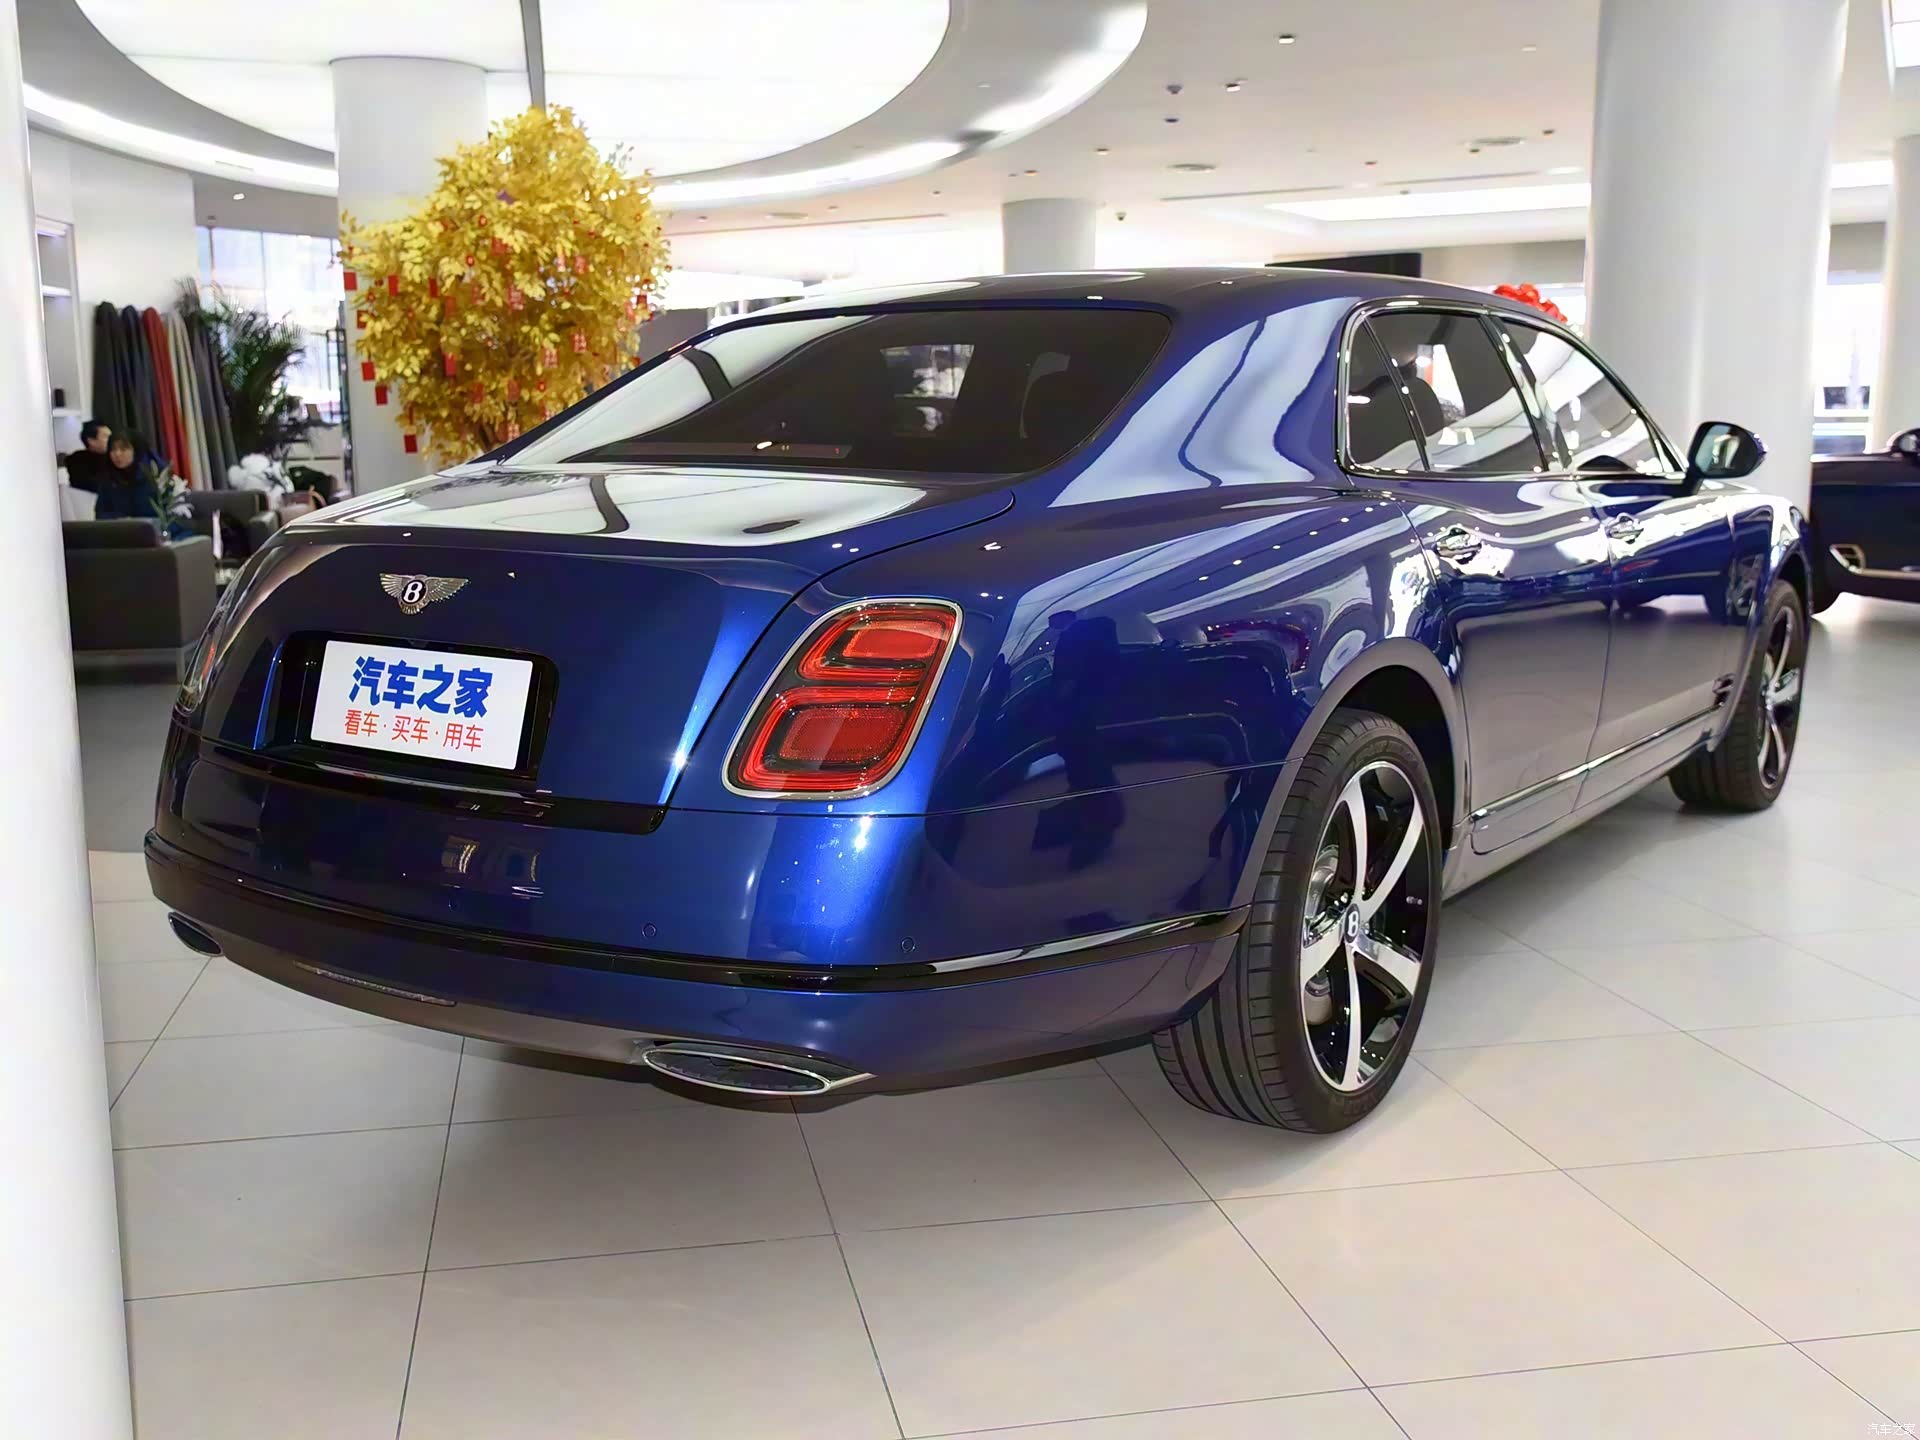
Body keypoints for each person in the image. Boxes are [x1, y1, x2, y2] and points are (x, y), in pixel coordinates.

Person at [92, 434, 161, 523]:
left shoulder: (157, 476)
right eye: (112, 449)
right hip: (121, 529)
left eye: (123, 449)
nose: (117, 454)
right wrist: (120, 520)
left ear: (136, 450)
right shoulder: (108, 479)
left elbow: (175, 517)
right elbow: (100, 514)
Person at [63, 419, 113, 492]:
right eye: (106, 436)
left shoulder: (114, 456)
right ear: (91, 441)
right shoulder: (77, 461)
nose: (112, 440)